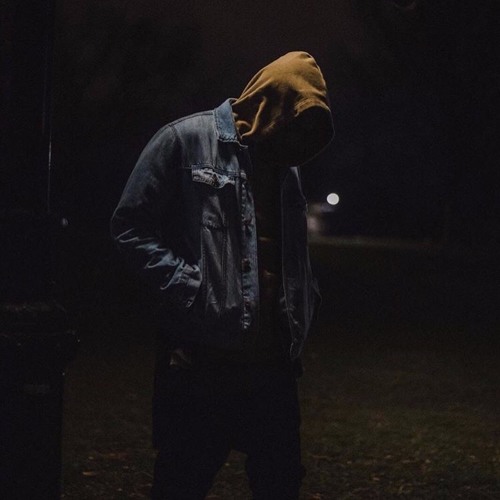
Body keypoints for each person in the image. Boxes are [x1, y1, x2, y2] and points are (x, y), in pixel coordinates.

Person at [111, 51, 334, 499]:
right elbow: (130, 227)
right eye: (294, 124)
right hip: (202, 362)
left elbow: (286, 250)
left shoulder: (286, 167)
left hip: (273, 367)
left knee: (280, 483)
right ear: (270, 104)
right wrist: (190, 287)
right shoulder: (183, 140)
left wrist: (303, 302)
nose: (298, 144)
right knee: (181, 482)